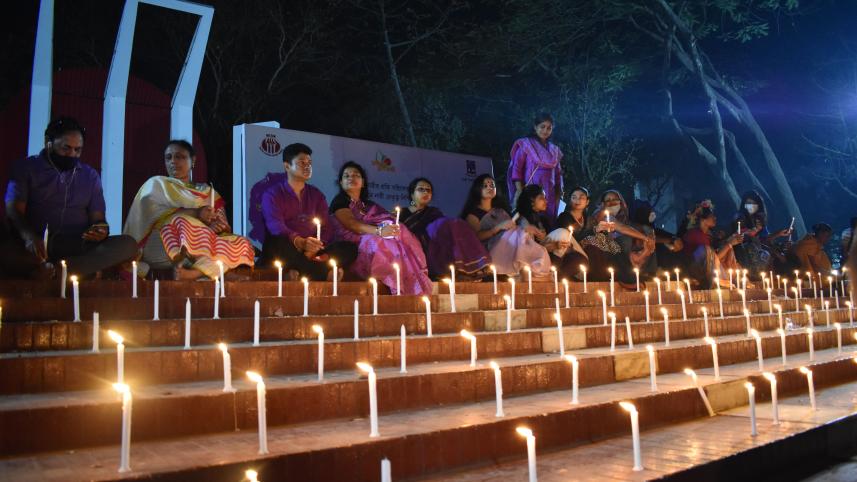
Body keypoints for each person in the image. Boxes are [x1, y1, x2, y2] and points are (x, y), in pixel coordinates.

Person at [3, 116, 136, 279]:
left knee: (127, 245)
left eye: (78, 150)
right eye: (66, 148)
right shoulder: (26, 168)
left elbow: (98, 219)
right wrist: (29, 237)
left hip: (76, 244)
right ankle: (54, 269)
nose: (72, 154)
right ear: (48, 142)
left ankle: (57, 271)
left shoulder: (90, 175)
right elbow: (14, 210)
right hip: (35, 244)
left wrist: (100, 230)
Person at [123, 140, 255, 280]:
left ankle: (194, 273)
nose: (173, 161)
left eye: (179, 157)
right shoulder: (156, 185)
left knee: (242, 242)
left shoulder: (207, 191)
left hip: (202, 246)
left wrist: (217, 227)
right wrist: (197, 214)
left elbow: (223, 226)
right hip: (165, 245)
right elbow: (154, 217)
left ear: (193, 160)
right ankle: (220, 272)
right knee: (181, 221)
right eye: (168, 157)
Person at [329, 161, 431, 294]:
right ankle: (385, 280)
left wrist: (388, 228)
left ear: (363, 182)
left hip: (370, 234)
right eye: (346, 176)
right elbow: (352, 224)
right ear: (341, 182)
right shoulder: (340, 201)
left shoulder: (369, 205)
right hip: (351, 240)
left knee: (400, 233)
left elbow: (385, 220)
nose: (351, 178)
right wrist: (380, 231)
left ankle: (405, 282)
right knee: (378, 241)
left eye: (356, 175)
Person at [258, 143, 357, 281]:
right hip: (289, 247)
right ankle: (322, 273)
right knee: (277, 242)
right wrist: (299, 241)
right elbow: (276, 226)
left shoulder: (316, 195)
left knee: (350, 248)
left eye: (309, 162)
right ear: (287, 166)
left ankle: (297, 271)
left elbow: (326, 227)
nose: (307, 166)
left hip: (313, 250)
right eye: (301, 162)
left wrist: (315, 246)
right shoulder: (272, 194)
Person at [399, 177, 490, 280]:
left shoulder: (434, 213)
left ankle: (463, 270)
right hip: (411, 247)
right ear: (412, 194)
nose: (425, 192)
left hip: (433, 244)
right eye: (421, 189)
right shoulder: (401, 213)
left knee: (456, 224)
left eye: (428, 190)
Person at [579, 190, 653, 285]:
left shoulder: (620, 217)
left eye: (615, 199)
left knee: (622, 246)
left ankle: (637, 275)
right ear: (602, 203)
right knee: (622, 244)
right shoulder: (602, 213)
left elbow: (625, 227)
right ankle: (627, 278)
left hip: (606, 246)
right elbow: (622, 228)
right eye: (608, 200)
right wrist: (645, 238)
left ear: (620, 202)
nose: (612, 202)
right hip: (592, 245)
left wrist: (647, 238)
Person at [507, 113, 564, 223]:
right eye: (542, 127)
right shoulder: (526, 145)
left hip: (550, 194)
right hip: (531, 192)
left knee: (548, 223)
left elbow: (558, 174)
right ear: (535, 127)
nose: (545, 131)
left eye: (549, 128)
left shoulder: (554, 150)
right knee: (531, 221)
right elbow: (517, 169)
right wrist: (520, 190)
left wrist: (559, 193)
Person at [681, 205, 743, 288]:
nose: (715, 218)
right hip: (694, 270)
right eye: (711, 216)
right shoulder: (695, 234)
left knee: (729, 250)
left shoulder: (708, 235)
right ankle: (721, 281)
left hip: (707, 266)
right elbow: (711, 258)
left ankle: (736, 279)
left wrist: (729, 242)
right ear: (703, 220)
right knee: (710, 249)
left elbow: (713, 258)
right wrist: (729, 244)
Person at [732, 191, 791, 277]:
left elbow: (765, 238)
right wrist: (753, 232)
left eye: (753, 203)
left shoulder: (759, 219)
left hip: (759, 248)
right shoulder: (740, 217)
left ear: (758, 205)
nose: (750, 206)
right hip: (743, 249)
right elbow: (738, 235)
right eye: (748, 203)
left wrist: (779, 234)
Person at [461, 174, 516, 253]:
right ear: (477, 189)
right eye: (485, 186)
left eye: (492, 185)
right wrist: (497, 228)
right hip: (488, 252)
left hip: (509, 247)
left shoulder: (500, 210)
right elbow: (476, 237)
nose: (489, 188)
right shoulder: (473, 215)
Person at [629, 199, 684, 276]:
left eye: (652, 210)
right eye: (649, 211)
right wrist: (668, 240)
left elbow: (660, 235)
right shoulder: (633, 230)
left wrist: (674, 239)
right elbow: (647, 239)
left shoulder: (653, 229)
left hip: (657, 271)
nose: (653, 213)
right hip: (641, 272)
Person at [555, 186, 592, 279]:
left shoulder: (588, 219)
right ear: (570, 200)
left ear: (587, 201)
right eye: (574, 197)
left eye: (581, 197)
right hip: (568, 250)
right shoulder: (564, 217)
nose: (577, 200)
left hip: (584, 250)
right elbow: (563, 236)